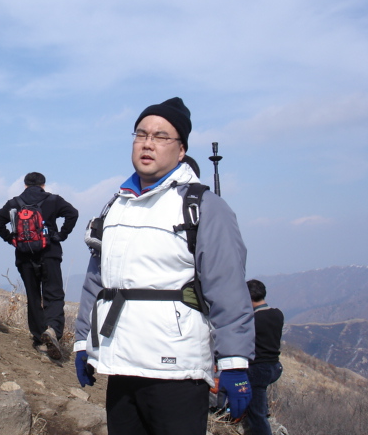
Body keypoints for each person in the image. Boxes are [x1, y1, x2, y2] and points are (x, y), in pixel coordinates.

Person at [73, 97, 254, 434]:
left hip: (177, 372)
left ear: (181, 150)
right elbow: (97, 280)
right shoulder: (116, 206)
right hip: (120, 364)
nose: (148, 143)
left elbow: (227, 287)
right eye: (141, 134)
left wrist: (234, 362)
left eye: (160, 136)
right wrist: (83, 342)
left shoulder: (202, 206)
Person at [0, 172, 78, 360]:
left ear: (25, 185)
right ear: (43, 185)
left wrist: (11, 239)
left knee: (33, 296)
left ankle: (39, 338)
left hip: (24, 256)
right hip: (50, 254)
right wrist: (61, 235)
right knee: (54, 294)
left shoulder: (14, 203)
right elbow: (73, 213)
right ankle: (53, 330)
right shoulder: (53, 200)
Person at [244, 279, 284, 435]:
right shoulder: (277, 314)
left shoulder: (252, 320)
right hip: (275, 366)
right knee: (259, 407)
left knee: (257, 416)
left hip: (258, 369)